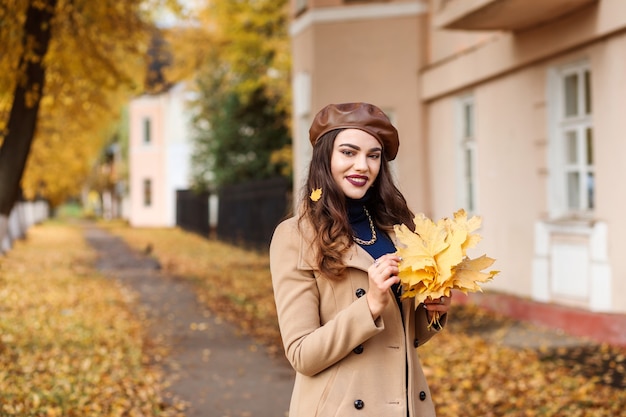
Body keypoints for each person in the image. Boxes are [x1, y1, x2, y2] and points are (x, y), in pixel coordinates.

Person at [270, 102, 451, 417]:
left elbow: (404, 340)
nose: (362, 166)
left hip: (406, 405)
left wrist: (433, 313)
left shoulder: (398, 229)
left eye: (373, 155)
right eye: (349, 153)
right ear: (325, 158)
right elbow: (301, 354)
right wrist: (369, 305)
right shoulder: (296, 236)